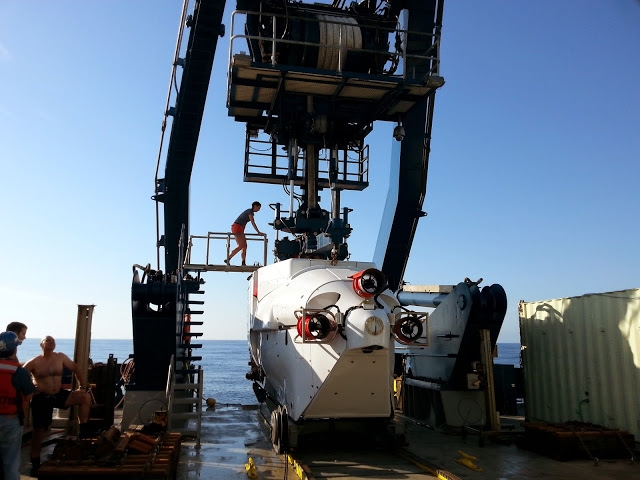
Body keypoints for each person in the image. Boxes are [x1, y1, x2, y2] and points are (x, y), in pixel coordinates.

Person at [23, 336, 92, 475]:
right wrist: (30, 388)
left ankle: (83, 432)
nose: (51, 342)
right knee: (39, 431)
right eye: (47, 340)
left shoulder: (60, 357)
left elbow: (76, 368)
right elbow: (20, 375)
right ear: (41, 345)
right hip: (41, 397)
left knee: (84, 397)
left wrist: (82, 387)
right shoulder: (34, 362)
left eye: (53, 340)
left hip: (58, 394)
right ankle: (35, 461)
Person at [0, 331, 35, 480]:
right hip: (11, 421)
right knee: (11, 462)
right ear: (14, 349)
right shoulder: (19, 372)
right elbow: (29, 394)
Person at [225, 201, 265, 266]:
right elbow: (253, 222)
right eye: (258, 208)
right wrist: (258, 232)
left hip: (240, 228)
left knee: (244, 246)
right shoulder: (250, 211)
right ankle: (228, 258)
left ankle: (243, 262)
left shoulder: (250, 212)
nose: (259, 210)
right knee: (241, 245)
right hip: (237, 227)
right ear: (255, 206)